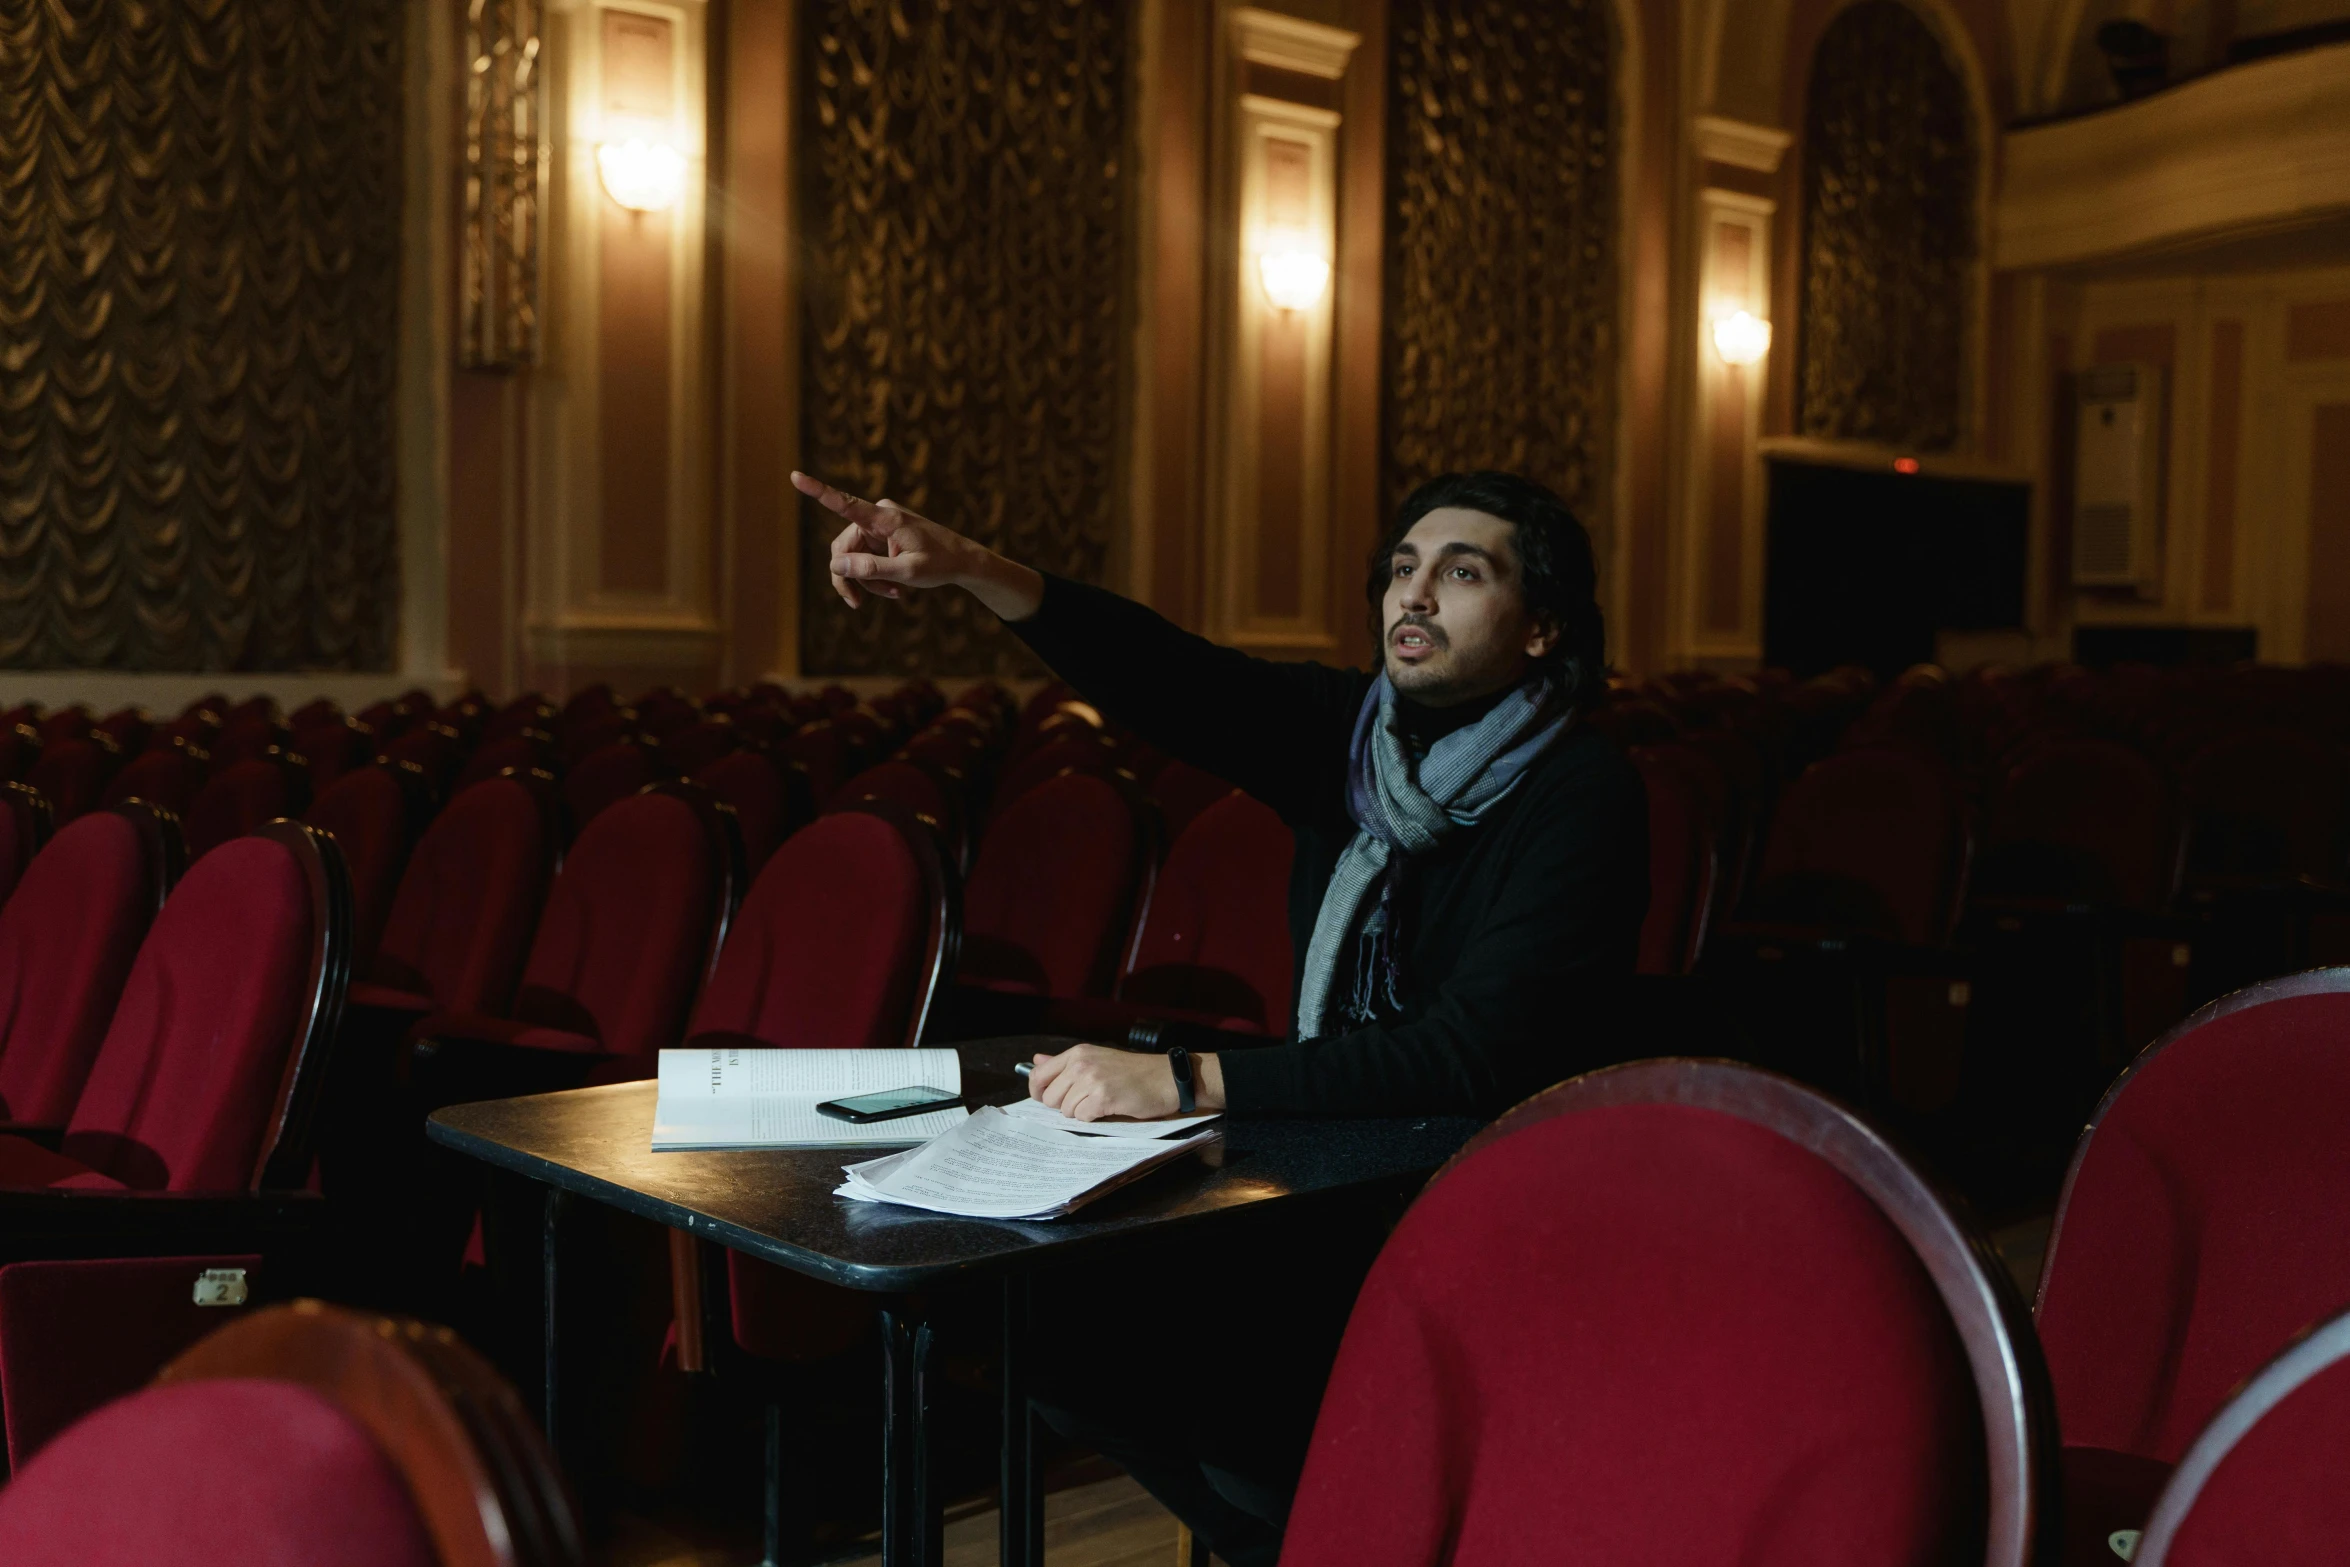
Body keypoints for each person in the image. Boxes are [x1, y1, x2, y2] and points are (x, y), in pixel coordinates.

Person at [797, 465, 1648, 1562]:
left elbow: (1472, 1055)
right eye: (1401, 569)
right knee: (1048, 1325)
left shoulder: (1582, 792)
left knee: (1213, 1382)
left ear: (1541, 629)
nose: (1414, 595)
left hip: (1475, 1186)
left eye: (1461, 571)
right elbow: (1171, 679)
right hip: (1330, 1162)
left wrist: (1192, 1080)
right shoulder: (1352, 742)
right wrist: (969, 569)